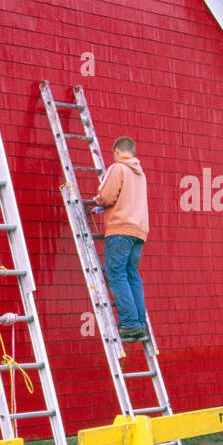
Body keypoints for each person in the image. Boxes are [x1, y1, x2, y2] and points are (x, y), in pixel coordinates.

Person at [92, 136, 150, 342]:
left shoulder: (118, 168)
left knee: (116, 274)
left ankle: (129, 324)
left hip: (120, 229)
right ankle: (140, 324)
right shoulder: (140, 174)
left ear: (117, 150)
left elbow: (107, 196)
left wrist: (98, 201)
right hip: (138, 232)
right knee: (132, 275)